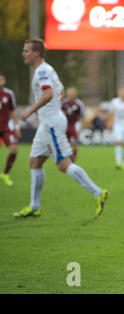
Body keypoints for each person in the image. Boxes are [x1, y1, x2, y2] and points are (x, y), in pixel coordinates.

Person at [14, 38, 108, 218]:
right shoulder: (48, 69)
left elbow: (49, 93)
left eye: (27, 51)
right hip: (48, 122)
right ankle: (35, 205)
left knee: (63, 164)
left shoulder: (42, 70)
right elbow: (60, 91)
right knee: (35, 162)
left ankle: (98, 192)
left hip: (51, 123)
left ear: (37, 53)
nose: (23, 54)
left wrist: (30, 110)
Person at [0, 73, 21, 186]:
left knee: (14, 149)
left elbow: (13, 111)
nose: (0, 81)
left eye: (1, 79)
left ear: (4, 80)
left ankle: (5, 173)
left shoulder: (9, 94)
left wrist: (17, 127)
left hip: (6, 127)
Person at [61, 86, 85, 162]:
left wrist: (80, 127)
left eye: (72, 93)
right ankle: (66, 158)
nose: (71, 94)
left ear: (76, 94)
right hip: (65, 125)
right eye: (69, 93)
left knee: (74, 143)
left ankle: (73, 158)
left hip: (74, 125)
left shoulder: (79, 103)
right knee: (65, 143)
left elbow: (82, 116)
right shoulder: (64, 102)